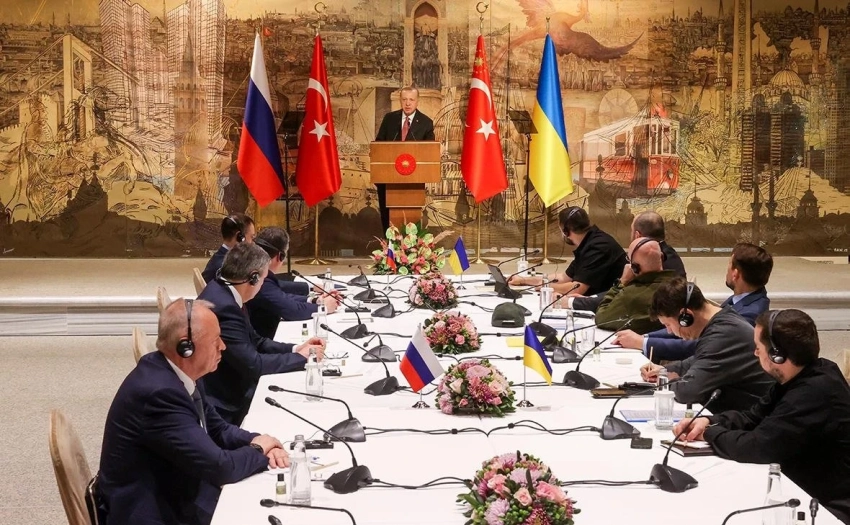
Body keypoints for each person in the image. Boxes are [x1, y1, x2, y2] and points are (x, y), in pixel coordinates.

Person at [96, 299, 290, 525]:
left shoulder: (177, 373)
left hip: (179, 491)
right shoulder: (160, 394)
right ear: (186, 348)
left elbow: (217, 428)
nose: (223, 346)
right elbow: (221, 468)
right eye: (215, 340)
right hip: (154, 513)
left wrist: (258, 440)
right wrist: (259, 449)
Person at [673, 310, 850, 524]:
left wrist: (709, 434)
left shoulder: (815, 391)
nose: (755, 353)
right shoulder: (800, 376)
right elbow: (752, 417)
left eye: (758, 347)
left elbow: (757, 447)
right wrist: (709, 421)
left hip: (826, 508)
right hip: (801, 490)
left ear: (777, 354)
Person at [199, 242, 326, 424]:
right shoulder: (225, 307)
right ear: (253, 278)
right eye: (263, 280)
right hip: (227, 402)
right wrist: (301, 358)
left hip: (234, 384)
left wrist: (296, 349)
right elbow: (254, 365)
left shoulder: (224, 289)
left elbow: (256, 341)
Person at [615, 242, 772, 362]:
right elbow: (682, 327)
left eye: (729, 265)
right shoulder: (739, 299)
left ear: (735, 274)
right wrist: (644, 337)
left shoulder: (750, 314)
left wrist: (643, 342)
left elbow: (699, 345)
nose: (727, 271)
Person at [639, 277, 774, 413]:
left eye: (668, 324)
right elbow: (698, 360)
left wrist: (666, 381)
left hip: (750, 417)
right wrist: (663, 370)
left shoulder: (723, 334)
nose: (669, 331)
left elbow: (687, 392)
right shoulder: (723, 322)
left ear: (685, 317)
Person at [510, 206, 627, 296]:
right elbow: (563, 278)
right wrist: (523, 280)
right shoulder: (589, 242)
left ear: (565, 231)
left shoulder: (598, 246)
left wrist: (547, 287)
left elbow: (577, 288)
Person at [572, 237, 678, 334]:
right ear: (662, 257)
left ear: (635, 267)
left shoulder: (631, 295)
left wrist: (622, 282)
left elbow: (601, 318)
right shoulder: (680, 287)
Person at [248, 227, 339, 338]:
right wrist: (324, 308)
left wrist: (316, 300)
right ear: (280, 256)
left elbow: (280, 296)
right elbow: (292, 310)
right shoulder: (258, 277)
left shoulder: (254, 269)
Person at [201, 214, 309, 297]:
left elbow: (267, 283)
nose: (254, 243)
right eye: (252, 237)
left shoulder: (224, 257)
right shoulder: (228, 265)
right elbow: (264, 288)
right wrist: (308, 289)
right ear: (240, 237)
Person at [374, 86, 435, 231]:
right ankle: (389, 243)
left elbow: (429, 152)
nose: (407, 103)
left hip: (413, 182)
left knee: (410, 223)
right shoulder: (390, 119)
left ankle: (410, 244)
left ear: (417, 101)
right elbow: (379, 145)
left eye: (411, 100)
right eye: (404, 99)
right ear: (400, 101)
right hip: (388, 179)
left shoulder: (426, 123)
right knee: (388, 220)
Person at [630, 210, 686, 277]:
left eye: (631, 230)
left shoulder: (650, 259)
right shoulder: (670, 254)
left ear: (637, 235)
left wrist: (623, 280)